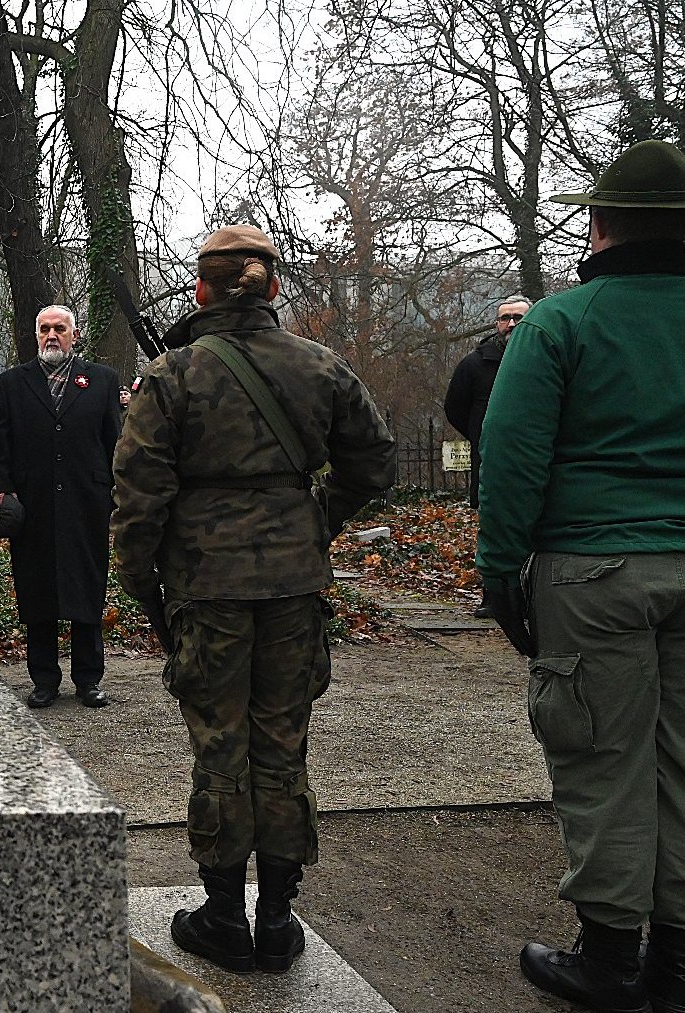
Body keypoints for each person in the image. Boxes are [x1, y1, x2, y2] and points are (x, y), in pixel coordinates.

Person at [112, 224, 394, 977]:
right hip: (295, 588)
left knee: (219, 745)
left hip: (207, 590)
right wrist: (316, 521)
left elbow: (138, 501)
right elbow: (375, 459)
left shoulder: (172, 376)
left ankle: (223, 916)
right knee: (282, 744)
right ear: (272, 287)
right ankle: (276, 916)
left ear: (200, 289)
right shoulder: (321, 366)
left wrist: (146, 588)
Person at [476, 139, 685, 1013]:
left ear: (600, 225)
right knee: (682, 763)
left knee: (602, 760)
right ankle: (674, 969)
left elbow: (512, 456)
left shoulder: (562, 321)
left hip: (593, 573)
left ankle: (606, 964)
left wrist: (500, 576)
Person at [0, 305, 120, 709]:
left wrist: (116, 495)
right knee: (37, 591)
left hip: (86, 503)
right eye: (44, 328)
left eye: (59, 329)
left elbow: (113, 443)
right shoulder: (13, 382)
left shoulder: (100, 380)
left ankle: (88, 680)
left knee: (86, 589)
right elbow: (2, 445)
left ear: (74, 334)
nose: (51, 335)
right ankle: (44, 680)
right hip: (34, 504)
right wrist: (4, 493)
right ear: (36, 335)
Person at [444, 298, 528, 510]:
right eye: (505, 318)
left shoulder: (549, 358)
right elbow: (455, 409)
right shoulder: (474, 364)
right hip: (491, 466)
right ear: (496, 324)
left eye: (518, 317)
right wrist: (481, 434)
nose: (511, 324)